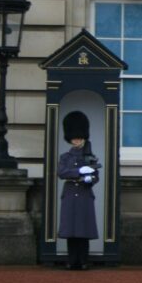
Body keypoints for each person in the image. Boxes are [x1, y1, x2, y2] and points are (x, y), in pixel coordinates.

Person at [57, 111, 99, 271]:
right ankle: (71, 260)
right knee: (71, 230)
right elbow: (62, 172)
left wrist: (90, 179)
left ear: (83, 137)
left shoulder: (90, 156)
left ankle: (83, 260)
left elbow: (95, 176)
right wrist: (80, 172)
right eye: (74, 137)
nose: (77, 140)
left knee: (83, 229)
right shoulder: (65, 157)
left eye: (79, 137)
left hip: (83, 194)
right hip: (69, 195)